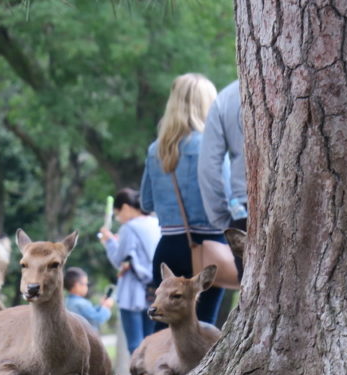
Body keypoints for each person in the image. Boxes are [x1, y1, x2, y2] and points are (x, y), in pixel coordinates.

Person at [139, 73, 226, 328]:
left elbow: (146, 203)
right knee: (204, 325)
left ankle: (154, 368)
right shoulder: (212, 145)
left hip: (168, 246)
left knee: (162, 325)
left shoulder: (157, 149)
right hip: (209, 247)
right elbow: (227, 198)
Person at [99, 188, 161, 353]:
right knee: (150, 341)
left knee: (135, 345)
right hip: (153, 290)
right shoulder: (156, 222)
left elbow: (119, 259)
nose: (119, 219)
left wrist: (109, 242)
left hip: (132, 292)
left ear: (125, 207)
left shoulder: (129, 228)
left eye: (117, 214)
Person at [198, 79, 247, 279]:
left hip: (247, 212)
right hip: (309, 204)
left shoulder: (226, 98)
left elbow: (208, 166)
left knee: (255, 292)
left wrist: (222, 219)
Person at [64, 267, 113, 333]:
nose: (87, 287)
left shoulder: (67, 302)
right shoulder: (81, 303)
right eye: (86, 284)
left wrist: (101, 306)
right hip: (87, 339)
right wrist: (106, 307)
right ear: (77, 285)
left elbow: (89, 314)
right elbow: (97, 319)